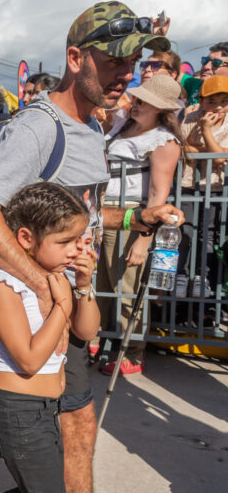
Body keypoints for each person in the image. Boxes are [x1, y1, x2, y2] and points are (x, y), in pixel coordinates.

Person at [0, 1, 182, 493]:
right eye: (114, 62)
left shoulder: (94, 125)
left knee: (40, 410)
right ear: (77, 58)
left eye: (131, 62)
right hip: (43, 300)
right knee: (73, 423)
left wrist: (139, 216)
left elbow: (78, 217)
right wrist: (47, 290)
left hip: (69, 293)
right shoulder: (39, 126)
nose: (126, 74)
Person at [0, 182, 100, 493]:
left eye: (79, 240)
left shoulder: (54, 276)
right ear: (27, 238)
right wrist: (63, 305)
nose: (76, 250)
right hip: (17, 413)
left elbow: (87, 331)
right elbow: (28, 360)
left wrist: (82, 286)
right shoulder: (3, 284)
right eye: (66, 241)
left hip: (43, 410)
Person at [96, 75, 184, 375]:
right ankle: (96, 338)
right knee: (100, 283)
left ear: (159, 108)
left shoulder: (164, 140)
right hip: (104, 210)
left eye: (143, 100)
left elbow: (159, 194)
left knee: (127, 287)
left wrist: (144, 238)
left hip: (134, 215)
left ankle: (132, 351)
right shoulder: (122, 124)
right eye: (136, 98)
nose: (135, 103)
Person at [177, 76, 228, 320]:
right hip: (188, 184)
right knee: (185, 232)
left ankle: (202, 277)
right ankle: (182, 277)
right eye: (212, 101)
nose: (218, 107)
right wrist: (212, 147)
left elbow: (219, 159)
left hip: (216, 187)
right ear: (202, 101)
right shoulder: (189, 118)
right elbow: (186, 152)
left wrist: (206, 132)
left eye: (224, 101)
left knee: (208, 235)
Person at [181, 42, 228, 107]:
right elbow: (172, 72)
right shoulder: (196, 85)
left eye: (216, 63)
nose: (206, 66)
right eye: (205, 60)